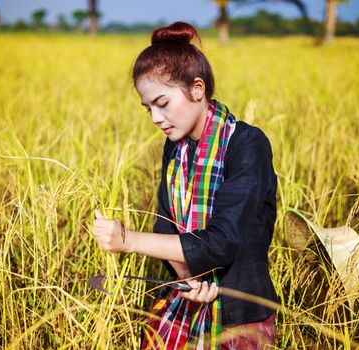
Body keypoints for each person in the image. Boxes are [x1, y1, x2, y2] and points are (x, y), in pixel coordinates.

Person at [93, 21, 278, 349]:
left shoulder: (247, 144)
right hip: (187, 302)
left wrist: (127, 240)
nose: (155, 118)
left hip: (241, 316)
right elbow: (167, 224)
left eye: (162, 103)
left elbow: (222, 242)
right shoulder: (174, 147)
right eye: (147, 107)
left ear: (197, 89)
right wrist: (189, 279)